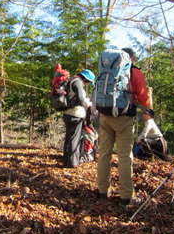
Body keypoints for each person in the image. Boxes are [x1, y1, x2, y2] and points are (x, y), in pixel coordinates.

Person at [97, 47, 151, 206]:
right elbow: (143, 99)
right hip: (124, 118)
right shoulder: (134, 72)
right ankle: (126, 196)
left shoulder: (107, 68)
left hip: (104, 114)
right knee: (125, 157)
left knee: (104, 154)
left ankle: (102, 191)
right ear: (132, 58)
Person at [62, 69, 95, 168]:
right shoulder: (78, 82)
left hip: (68, 113)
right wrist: (88, 104)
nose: (87, 84)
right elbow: (81, 98)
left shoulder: (71, 81)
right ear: (85, 79)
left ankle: (66, 161)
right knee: (74, 140)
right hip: (75, 114)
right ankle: (72, 163)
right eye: (88, 82)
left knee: (69, 138)